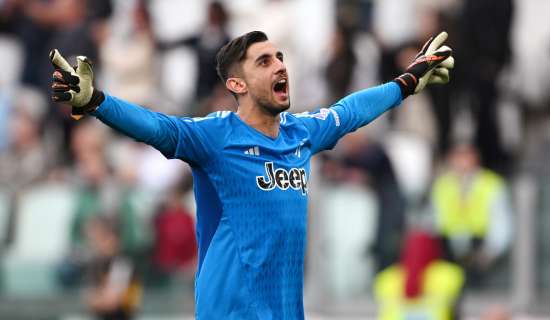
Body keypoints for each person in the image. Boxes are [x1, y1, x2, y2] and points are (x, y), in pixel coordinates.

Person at [49, 30, 454, 319]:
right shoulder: (214, 136)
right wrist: (97, 102)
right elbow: (156, 127)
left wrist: (408, 80)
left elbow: (350, 112)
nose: (280, 66)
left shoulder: (301, 133)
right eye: (265, 61)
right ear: (237, 83)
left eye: (280, 58)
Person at [430, 142, 513, 287]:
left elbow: (501, 220)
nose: (461, 162)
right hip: (448, 248)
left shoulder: (491, 184)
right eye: (457, 157)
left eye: (465, 157)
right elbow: (433, 218)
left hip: (479, 247)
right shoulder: (442, 185)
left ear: (475, 159)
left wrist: (491, 251)